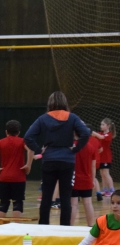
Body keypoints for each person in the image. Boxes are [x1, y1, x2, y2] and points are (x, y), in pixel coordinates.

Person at [24, 91, 90, 226]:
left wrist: (39, 150)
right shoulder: (72, 117)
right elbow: (85, 133)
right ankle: (64, 228)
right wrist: (76, 149)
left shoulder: (43, 118)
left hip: (49, 160)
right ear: (64, 102)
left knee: (46, 197)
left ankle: (43, 226)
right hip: (67, 161)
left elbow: (28, 137)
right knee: (65, 197)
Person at [0, 120, 33, 219]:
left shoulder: (0, 142)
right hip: (19, 177)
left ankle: (1, 225)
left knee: (3, 202)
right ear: (19, 132)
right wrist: (28, 165)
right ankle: (17, 226)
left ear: (6, 131)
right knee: (17, 202)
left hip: (4, 176)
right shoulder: (22, 141)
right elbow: (31, 149)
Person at [71, 131, 98, 226]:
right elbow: (93, 166)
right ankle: (90, 226)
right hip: (87, 180)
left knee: (73, 204)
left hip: (74, 180)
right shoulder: (91, 147)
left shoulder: (72, 146)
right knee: (88, 203)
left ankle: (70, 227)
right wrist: (93, 179)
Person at [97, 118, 116, 196]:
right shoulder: (100, 133)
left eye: (103, 124)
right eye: (101, 124)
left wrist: (91, 132)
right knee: (102, 173)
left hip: (106, 157)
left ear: (108, 126)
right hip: (100, 156)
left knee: (106, 173)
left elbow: (101, 137)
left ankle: (112, 190)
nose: (101, 126)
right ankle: (105, 189)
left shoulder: (109, 135)